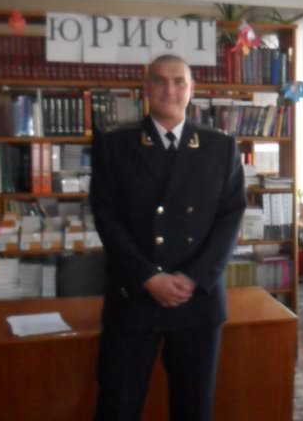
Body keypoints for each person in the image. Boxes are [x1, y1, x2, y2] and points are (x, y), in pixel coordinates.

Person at [90, 54, 246, 421]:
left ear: (191, 89)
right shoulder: (115, 146)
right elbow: (107, 220)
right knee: (117, 408)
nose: (169, 90)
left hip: (196, 301)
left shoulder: (220, 147)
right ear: (146, 88)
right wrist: (148, 277)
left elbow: (230, 218)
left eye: (178, 82)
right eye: (159, 81)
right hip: (133, 299)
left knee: (194, 410)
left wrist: (194, 277)